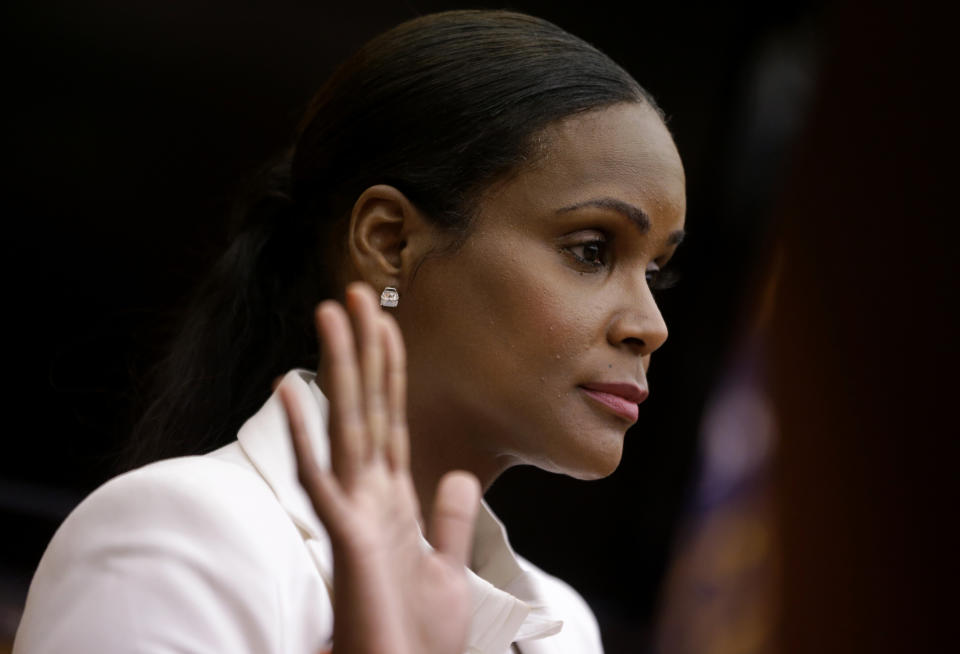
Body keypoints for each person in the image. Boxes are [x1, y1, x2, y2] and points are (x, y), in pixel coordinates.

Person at [13, 9, 686, 654]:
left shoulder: (564, 628)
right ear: (390, 243)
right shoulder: (179, 538)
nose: (649, 327)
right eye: (592, 249)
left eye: (654, 272)